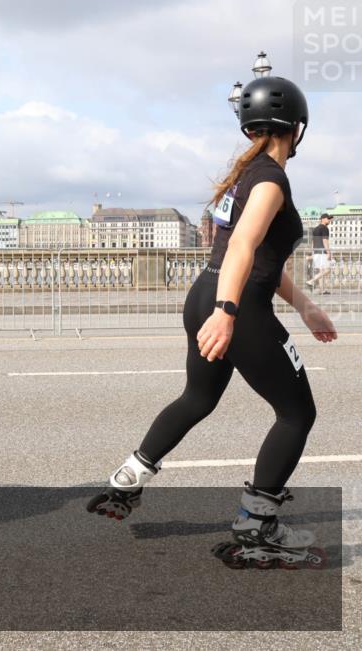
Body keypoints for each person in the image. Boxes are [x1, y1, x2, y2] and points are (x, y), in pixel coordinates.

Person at [86, 74, 337, 568]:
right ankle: (258, 523)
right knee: (297, 413)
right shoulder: (270, 179)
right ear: (298, 127)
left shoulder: (245, 175)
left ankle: (129, 479)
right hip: (234, 304)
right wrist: (228, 314)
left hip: (205, 290)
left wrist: (305, 307)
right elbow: (243, 248)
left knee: (198, 396)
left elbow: (254, 255)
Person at [306, 213, 334, 294]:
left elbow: (313, 242)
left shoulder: (315, 229)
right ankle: (311, 281)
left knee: (321, 271)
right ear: (323, 219)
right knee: (328, 269)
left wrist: (312, 253)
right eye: (328, 218)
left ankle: (322, 290)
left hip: (316, 252)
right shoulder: (325, 228)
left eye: (330, 219)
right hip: (323, 252)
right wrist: (328, 252)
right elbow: (325, 241)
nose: (329, 220)